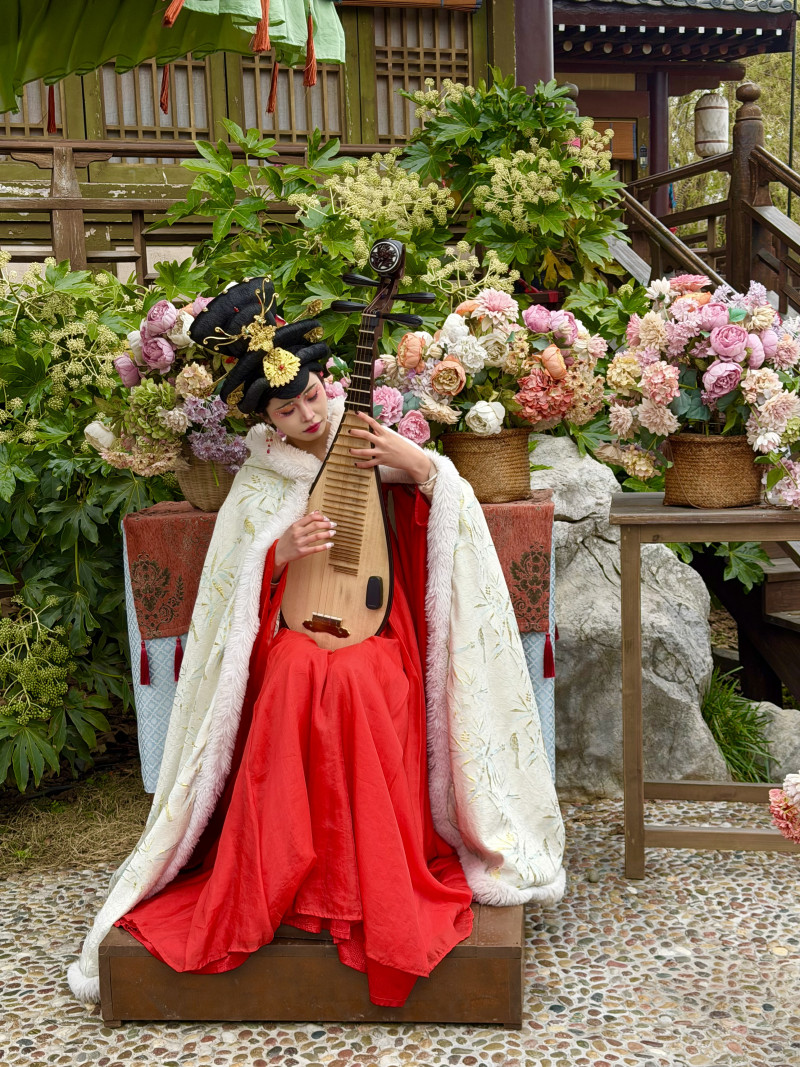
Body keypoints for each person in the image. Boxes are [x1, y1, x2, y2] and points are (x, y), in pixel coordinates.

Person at [68, 279, 565, 1008]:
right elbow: (232, 590)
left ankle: (365, 884)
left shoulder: (362, 440)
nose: (305, 415)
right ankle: (289, 880)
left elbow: (444, 511)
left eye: (309, 398)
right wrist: (278, 553)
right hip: (292, 632)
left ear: (327, 384)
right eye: (286, 409)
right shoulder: (262, 477)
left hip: (378, 627)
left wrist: (420, 467)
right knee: (296, 679)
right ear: (265, 418)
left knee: (362, 684)